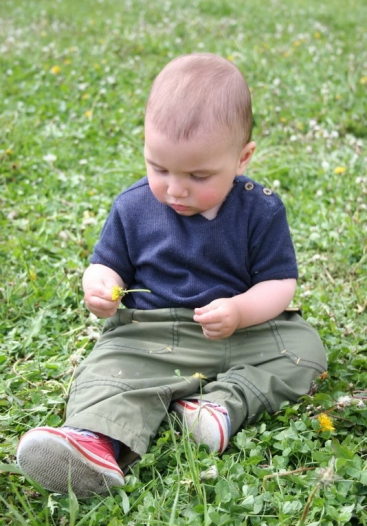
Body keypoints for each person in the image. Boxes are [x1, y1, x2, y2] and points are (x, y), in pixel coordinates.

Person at [16, 53, 327, 498]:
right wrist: (98, 284)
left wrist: (240, 311)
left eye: (198, 175)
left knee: (305, 348)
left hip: (239, 334)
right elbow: (106, 263)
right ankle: (94, 441)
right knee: (107, 368)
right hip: (150, 335)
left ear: (242, 158)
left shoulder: (261, 209)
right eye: (158, 168)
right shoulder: (133, 207)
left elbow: (280, 284)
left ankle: (219, 406)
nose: (175, 188)